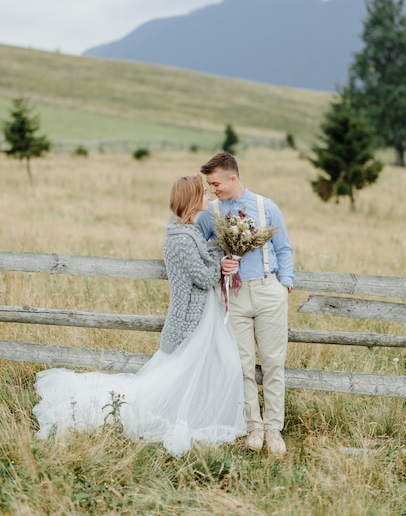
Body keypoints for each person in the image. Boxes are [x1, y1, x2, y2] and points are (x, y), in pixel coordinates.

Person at [33, 175, 246, 457]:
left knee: (213, 366)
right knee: (183, 372)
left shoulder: (187, 231)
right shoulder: (181, 239)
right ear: (192, 200)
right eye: (204, 194)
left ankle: (196, 410)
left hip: (202, 314)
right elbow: (204, 276)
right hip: (191, 317)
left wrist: (218, 250)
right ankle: (166, 413)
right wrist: (219, 262)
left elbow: (202, 258)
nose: (209, 197)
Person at [196, 152, 294, 457]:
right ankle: (253, 427)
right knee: (241, 365)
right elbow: (196, 247)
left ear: (232, 178)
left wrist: (285, 284)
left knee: (274, 361)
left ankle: (273, 429)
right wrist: (219, 263)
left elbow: (285, 248)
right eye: (209, 185)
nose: (213, 190)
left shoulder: (266, 207)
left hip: (268, 291)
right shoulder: (210, 213)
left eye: (215, 184)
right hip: (233, 296)